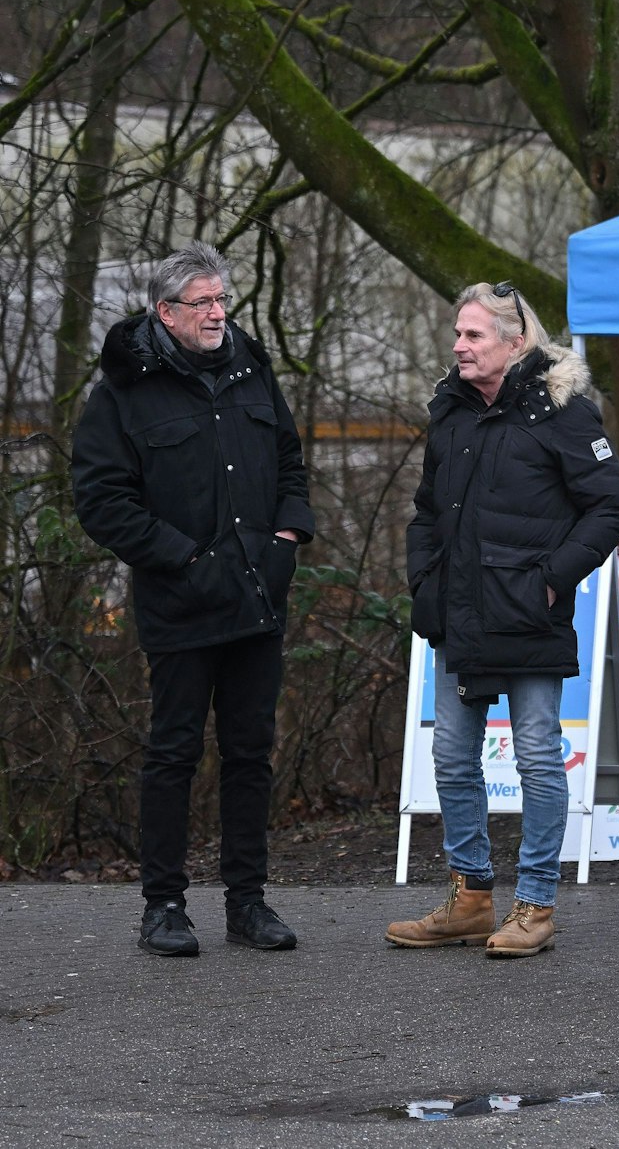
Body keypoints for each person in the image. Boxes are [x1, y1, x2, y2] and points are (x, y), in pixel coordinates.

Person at [73, 242, 317, 957]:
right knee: (173, 754)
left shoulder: (250, 367)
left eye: (221, 300)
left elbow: (290, 462)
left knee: (251, 752)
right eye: (202, 303)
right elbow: (100, 500)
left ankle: (248, 902)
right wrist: (180, 556)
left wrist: (287, 536)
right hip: (179, 603)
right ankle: (164, 908)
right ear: (166, 312)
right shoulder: (123, 391)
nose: (217, 314)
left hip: (257, 596)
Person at [386, 282, 619, 959]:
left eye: (473, 336)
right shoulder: (452, 412)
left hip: (529, 615)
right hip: (457, 613)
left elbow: (611, 507)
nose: (459, 347)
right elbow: (426, 510)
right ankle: (470, 899)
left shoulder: (562, 412)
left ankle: (536, 907)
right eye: (458, 335)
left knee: (537, 758)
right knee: (452, 756)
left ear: (514, 341)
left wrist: (553, 579)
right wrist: (425, 578)